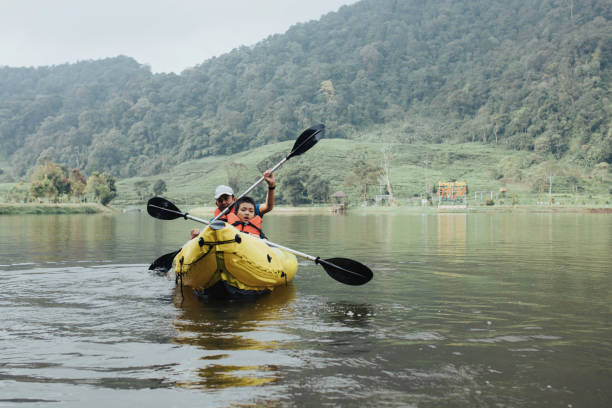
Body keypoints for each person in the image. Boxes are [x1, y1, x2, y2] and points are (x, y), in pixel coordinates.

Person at [190, 169, 276, 239]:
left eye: (226, 198)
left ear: (234, 199)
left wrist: (271, 186)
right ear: (216, 204)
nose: (224, 202)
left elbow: (268, 207)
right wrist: (196, 235)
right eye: (220, 200)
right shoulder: (215, 221)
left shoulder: (246, 209)